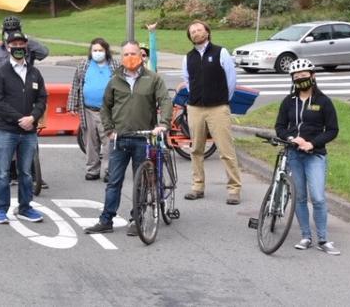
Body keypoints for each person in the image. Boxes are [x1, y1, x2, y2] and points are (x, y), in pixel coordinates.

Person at [83, 42, 171, 235]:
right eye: (126, 54)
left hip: (143, 138)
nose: (130, 57)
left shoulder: (153, 79)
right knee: (114, 182)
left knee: (141, 182)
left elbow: (165, 101)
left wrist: (163, 124)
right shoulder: (115, 80)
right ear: (121, 57)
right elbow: (105, 107)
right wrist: (109, 129)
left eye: (133, 53)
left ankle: (136, 219)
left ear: (140, 55)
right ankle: (106, 220)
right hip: (120, 138)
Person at [275, 59, 340, 255]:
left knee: (318, 197)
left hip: (314, 155)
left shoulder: (323, 102)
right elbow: (280, 127)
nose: (300, 79)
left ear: (313, 76)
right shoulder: (288, 101)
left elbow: (332, 130)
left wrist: (312, 143)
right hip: (294, 154)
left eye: (304, 76)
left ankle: (323, 239)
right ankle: (305, 236)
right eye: (296, 77)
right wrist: (291, 138)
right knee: (300, 197)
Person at [0, 15, 50, 189]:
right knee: (7, 138)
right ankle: (11, 172)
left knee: (30, 139)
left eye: (15, 30)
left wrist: (26, 41)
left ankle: (34, 174)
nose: (11, 33)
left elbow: (45, 52)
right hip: (4, 100)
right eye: (8, 31)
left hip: (25, 98)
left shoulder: (26, 47)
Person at [182, 20, 243, 204]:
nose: (196, 33)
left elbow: (231, 80)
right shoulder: (188, 57)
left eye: (199, 29)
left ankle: (234, 188)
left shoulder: (220, 52)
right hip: (195, 108)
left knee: (226, 149)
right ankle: (197, 186)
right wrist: (196, 98)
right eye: (192, 31)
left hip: (218, 108)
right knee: (196, 149)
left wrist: (222, 99)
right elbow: (188, 81)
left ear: (207, 32)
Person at [0, 31, 48, 224]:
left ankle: (25, 207)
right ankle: (0, 208)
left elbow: (42, 98)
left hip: (28, 131)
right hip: (6, 130)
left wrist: (33, 117)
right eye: (14, 45)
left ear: (26, 47)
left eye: (21, 44)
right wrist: (20, 119)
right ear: (8, 48)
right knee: (3, 172)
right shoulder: (1, 73)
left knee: (26, 173)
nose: (18, 48)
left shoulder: (34, 73)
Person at [68, 38, 118, 182]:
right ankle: (92, 169)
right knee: (90, 142)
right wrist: (72, 104)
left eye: (100, 50)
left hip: (108, 111)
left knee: (109, 142)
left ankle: (109, 170)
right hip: (88, 110)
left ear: (106, 51)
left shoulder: (114, 65)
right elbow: (76, 85)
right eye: (95, 50)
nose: (97, 53)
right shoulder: (84, 65)